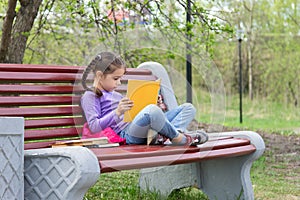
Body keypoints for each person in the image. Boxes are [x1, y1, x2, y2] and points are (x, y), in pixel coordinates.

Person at [80, 51, 207, 145]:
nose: (118, 83)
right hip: (127, 133)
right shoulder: (90, 95)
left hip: (142, 127)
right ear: (100, 75)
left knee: (188, 108)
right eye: (115, 79)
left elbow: (136, 112)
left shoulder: (116, 95)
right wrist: (117, 112)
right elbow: (94, 126)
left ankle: (173, 133)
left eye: (120, 79)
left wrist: (152, 103)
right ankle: (181, 139)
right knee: (151, 111)